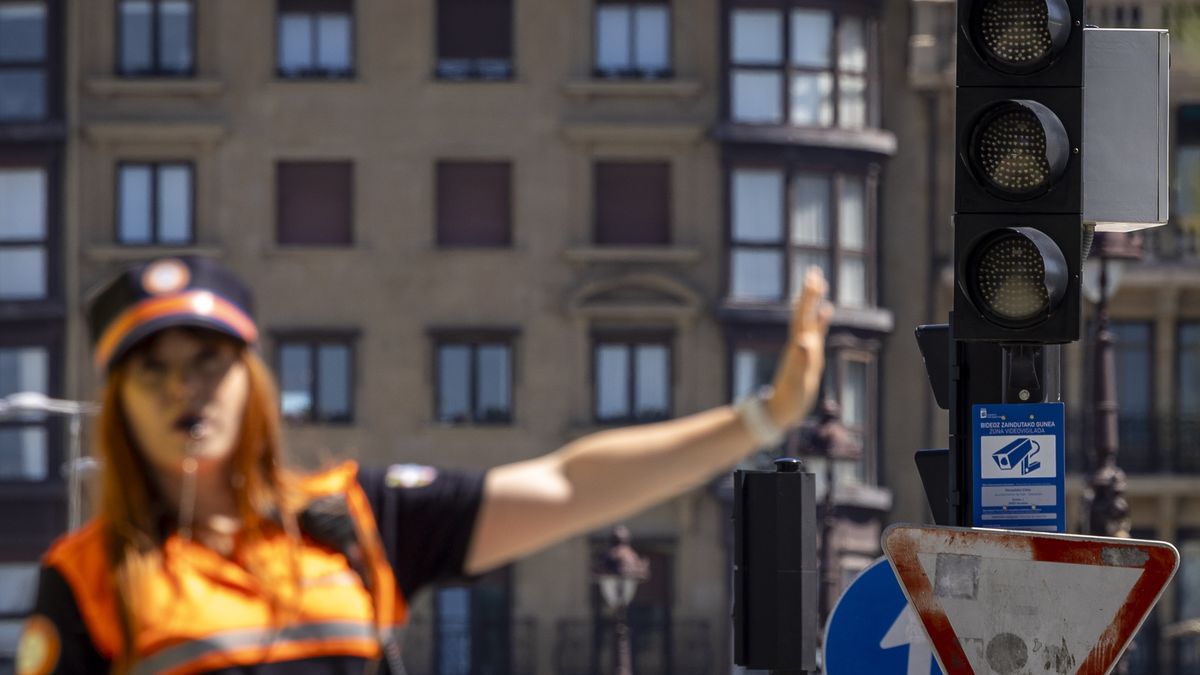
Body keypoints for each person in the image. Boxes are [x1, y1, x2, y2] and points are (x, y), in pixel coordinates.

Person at [15, 255, 832, 675]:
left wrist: (763, 414)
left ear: (250, 382)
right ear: (117, 401)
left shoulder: (349, 519)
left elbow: (567, 483)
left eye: (206, 361)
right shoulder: (88, 576)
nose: (181, 388)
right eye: (150, 370)